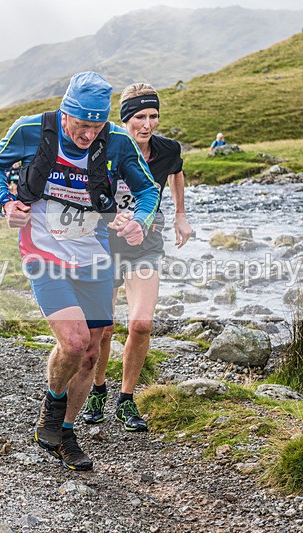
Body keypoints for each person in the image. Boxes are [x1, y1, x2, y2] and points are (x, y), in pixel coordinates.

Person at [0, 71, 160, 471]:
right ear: (66, 114)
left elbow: (149, 190)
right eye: (82, 126)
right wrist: (5, 203)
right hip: (42, 251)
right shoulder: (32, 130)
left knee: (93, 352)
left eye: (97, 126)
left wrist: (139, 220)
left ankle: (63, 431)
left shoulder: (116, 141)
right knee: (75, 342)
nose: (88, 135)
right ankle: (53, 408)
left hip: (94, 256)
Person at [82, 83, 194, 432]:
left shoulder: (166, 149)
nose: (147, 125)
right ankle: (98, 390)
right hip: (102, 243)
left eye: (154, 116)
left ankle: (126, 399)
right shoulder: (104, 148)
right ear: (125, 119)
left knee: (142, 323)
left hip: (145, 243)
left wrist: (179, 214)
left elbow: (176, 171)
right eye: (139, 117)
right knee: (103, 329)